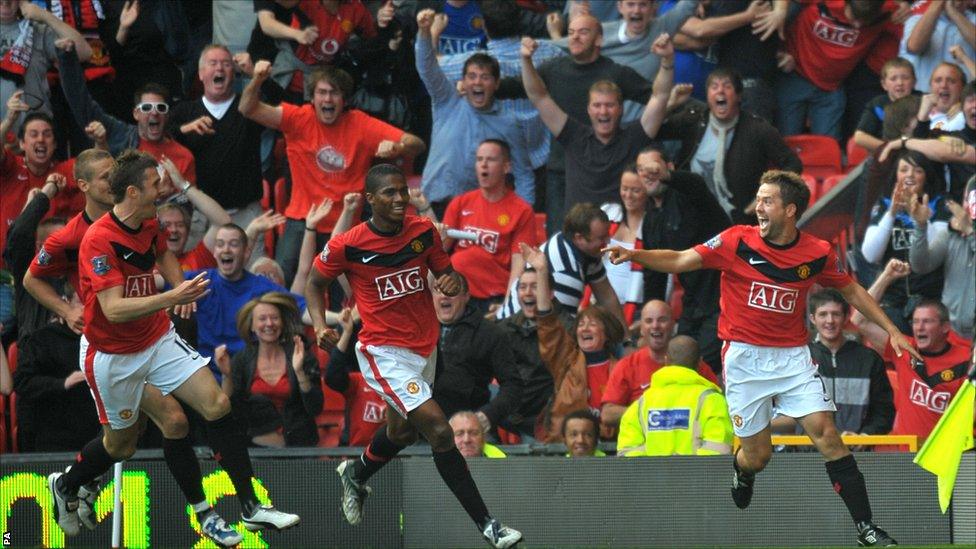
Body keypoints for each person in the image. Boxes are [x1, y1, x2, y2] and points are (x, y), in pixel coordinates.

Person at [604, 170, 915, 546]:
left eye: (767, 201)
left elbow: (851, 290)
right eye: (759, 199)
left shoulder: (816, 253)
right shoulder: (737, 241)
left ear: (790, 210)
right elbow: (683, 258)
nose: (759, 208)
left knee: (827, 434)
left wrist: (893, 330)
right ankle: (743, 470)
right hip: (744, 360)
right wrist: (636, 254)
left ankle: (866, 527)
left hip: (793, 357)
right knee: (758, 456)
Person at [47, 150, 298, 543]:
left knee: (216, 404)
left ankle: (249, 507)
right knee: (121, 444)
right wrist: (172, 295)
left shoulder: (149, 220)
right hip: (111, 355)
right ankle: (67, 484)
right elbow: (113, 309)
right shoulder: (98, 241)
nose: (162, 189)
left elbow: (161, 251)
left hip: (156, 337)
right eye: (154, 184)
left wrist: (178, 286)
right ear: (132, 191)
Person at [305, 164, 521, 548]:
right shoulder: (347, 245)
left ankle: (356, 473)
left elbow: (445, 272)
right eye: (389, 193)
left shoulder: (422, 231)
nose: (400, 198)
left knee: (401, 432)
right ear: (370, 200)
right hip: (383, 351)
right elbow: (314, 281)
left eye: (403, 191)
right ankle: (489, 525)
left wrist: (450, 280)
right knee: (439, 429)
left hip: (425, 345)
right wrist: (321, 323)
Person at [239, 58, 425, 286]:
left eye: (334, 93)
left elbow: (417, 144)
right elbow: (247, 108)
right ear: (313, 98)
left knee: (344, 294)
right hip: (301, 218)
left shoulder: (360, 124)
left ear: (344, 99)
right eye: (322, 92)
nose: (327, 99)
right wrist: (257, 78)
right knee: (282, 282)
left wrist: (399, 147)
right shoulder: (298, 118)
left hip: (344, 224)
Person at [521, 32, 674, 213]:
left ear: (620, 109)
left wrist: (667, 61)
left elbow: (659, 96)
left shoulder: (635, 137)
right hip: (580, 235)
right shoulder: (573, 135)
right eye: (597, 105)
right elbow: (538, 96)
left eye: (609, 105)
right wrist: (526, 60)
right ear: (589, 110)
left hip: (622, 236)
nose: (603, 111)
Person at [416, 9, 535, 208]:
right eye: (471, 77)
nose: (477, 82)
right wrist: (424, 32)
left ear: (496, 84)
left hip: (475, 213)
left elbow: (523, 174)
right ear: (462, 80)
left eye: (485, 77)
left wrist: (523, 217)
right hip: (432, 204)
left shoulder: (508, 121)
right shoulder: (447, 100)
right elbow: (427, 67)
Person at [656, 67, 801, 225]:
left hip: (738, 221)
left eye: (727, 86)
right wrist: (669, 104)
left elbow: (793, 164)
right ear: (707, 96)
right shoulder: (694, 119)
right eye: (714, 86)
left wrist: (769, 194)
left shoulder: (758, 129)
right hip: (691, 217)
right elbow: (653, 131)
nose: (720, 91)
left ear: (738, 96)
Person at [168, 45, 268, 259]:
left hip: (245, 214)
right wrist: (183, 129)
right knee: (196, 281)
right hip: (199, 216)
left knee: (254, 278)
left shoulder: (249, 107)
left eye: (226, 64)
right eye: (213, 64)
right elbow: (156, 135)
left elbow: (283, 105)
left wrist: (256, 75)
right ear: (201, 73)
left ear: (234, 73)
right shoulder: (185, 111)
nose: (219, 69)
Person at [635, 146, 729, 373]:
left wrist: (667, 177)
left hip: (721, 300)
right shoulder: (649, 220)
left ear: (669, 168)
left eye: (653, 168)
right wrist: (649, 316)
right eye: (641, 170)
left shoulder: (688, 198)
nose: (647, 174)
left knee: (699, 368)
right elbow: (653, 275)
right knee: (677, 363)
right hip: (692, 305)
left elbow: (696, 186)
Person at [522, 242, 625, 442]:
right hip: (565, 448)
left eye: (592, 324)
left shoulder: (621, 369)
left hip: (608, 450)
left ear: (607, 334)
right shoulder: (567, 362)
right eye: (581, 325)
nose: (584, 329)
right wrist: (542, 270)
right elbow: (547, 323)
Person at [854, 273, 973, 445]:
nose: (919, 327)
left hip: (949, 456)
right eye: (915, 322)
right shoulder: (903, 348)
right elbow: (859, 320)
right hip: (907, 457)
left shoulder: (966, 359)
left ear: (945, 327)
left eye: (927, 321)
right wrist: (887, 276)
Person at [183, 223, 307, 375]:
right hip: (206, 373)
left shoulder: (262, 286)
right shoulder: (200, 280)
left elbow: (304, 309)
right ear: (214, 252)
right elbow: (154, 281)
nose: (226, 249)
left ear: (246, 253)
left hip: (247, 375)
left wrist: (337, 318)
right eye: (220, 244)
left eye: (233, 244)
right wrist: (179, 290)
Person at [214, 292, 323, 447]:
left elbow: (315, 408)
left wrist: (299, 372)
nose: (269, 323)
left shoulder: (301, 354)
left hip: (300, 448)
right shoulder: (242, 360)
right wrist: (227, 375)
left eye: (275, 318)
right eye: (262, 319)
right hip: (256, 450)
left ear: (282, 322)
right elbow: (231, 411)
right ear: (252, 325)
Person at [441, 139, 538, 312]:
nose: (483, 165)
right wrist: (425, 209)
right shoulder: (460, 203)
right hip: (457, 295)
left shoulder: (522, 210)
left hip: (492, 298)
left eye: (490, 160)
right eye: (479, 160)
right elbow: (438, 249)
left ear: (506, 167)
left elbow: (519, 265)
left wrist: (508, 306)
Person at [861, 150, 949, 333]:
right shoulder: (884, 206)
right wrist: (892, 213)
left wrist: (920, 218)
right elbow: (870, 254)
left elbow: (937, 251)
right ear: (896, 175)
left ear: (926, 176)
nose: (909, 174)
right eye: (904, 169)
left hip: (930, 298)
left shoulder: (940, 205)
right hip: (892, 299)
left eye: (917, 170)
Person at [496, 202, 624, 327]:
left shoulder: (581, 247)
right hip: (517, 334)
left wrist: (626, 341)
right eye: (602, 238)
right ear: (579, 238)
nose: (608, 241)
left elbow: (607, 296)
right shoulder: (566, 273)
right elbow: (562, 332)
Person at [600, 300, 718, 430]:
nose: (655, 326)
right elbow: (607, 414)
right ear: (641, 329)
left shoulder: (693, 362)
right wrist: (652, 412)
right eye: (649, 321)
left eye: (662, 320)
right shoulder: (627, 365)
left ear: (673, 325)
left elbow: (717, 402)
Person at [12, 283, 100, 452]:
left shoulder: (106, 338)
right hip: (54, 433)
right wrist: (63, 383)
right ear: (65, 303)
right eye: (82, 302)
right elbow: (23, 382)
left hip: (97, 430)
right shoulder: (42, 339)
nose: (88, 309)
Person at [432, 273, 523, 435]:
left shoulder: (491, 334)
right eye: (438, 291)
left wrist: (487, 415)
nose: (445, 296)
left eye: (452, 291)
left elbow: (513, 385)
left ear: (466, 296)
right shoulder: (417, 330)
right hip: (425, 427)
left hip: (472, 429)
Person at [616, 335, 733, 457]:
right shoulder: (713, 401)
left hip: (652, 476)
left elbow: (628, 457)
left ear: (666, 361)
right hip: (697, 476)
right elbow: (717, 454)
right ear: (700, 363)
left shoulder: (641, 404)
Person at [805, 289, 895, 440]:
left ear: (846, 317)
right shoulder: (801, 358)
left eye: (836, 314)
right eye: (823, 314)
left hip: (858, 453)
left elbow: (884, 411)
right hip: (808, 453)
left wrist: (866, 435)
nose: (830, 321)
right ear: (813, 318)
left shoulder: (869, 359)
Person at [494, 267, 558, 439]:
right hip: (506, 416)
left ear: (550, 293)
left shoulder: (563, 328)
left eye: (535, 286)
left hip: (545, 419)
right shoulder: (502, 330)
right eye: (522, 287)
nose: (528, 293)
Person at [909, 177, 976, 339]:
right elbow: (921, 265)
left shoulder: (964, 229)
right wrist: (920, 226)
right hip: (951, 334)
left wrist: (970, 232)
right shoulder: (950, 233)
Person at [900, 0, 976, 93]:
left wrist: (953, 12)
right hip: (925, 97)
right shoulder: (916, 19)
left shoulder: (973, 20)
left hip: (967, 99)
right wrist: (938, 4)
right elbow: (914, 47)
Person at [853, 57, 920, 153]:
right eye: (893, 79)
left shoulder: (923, 100)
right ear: (884, 84)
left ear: (914, 82)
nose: (900, 83)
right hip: (885, 152)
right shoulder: (877, 103)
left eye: (905, 78)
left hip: (916, 153)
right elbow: (859, 136)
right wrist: (890, 148)